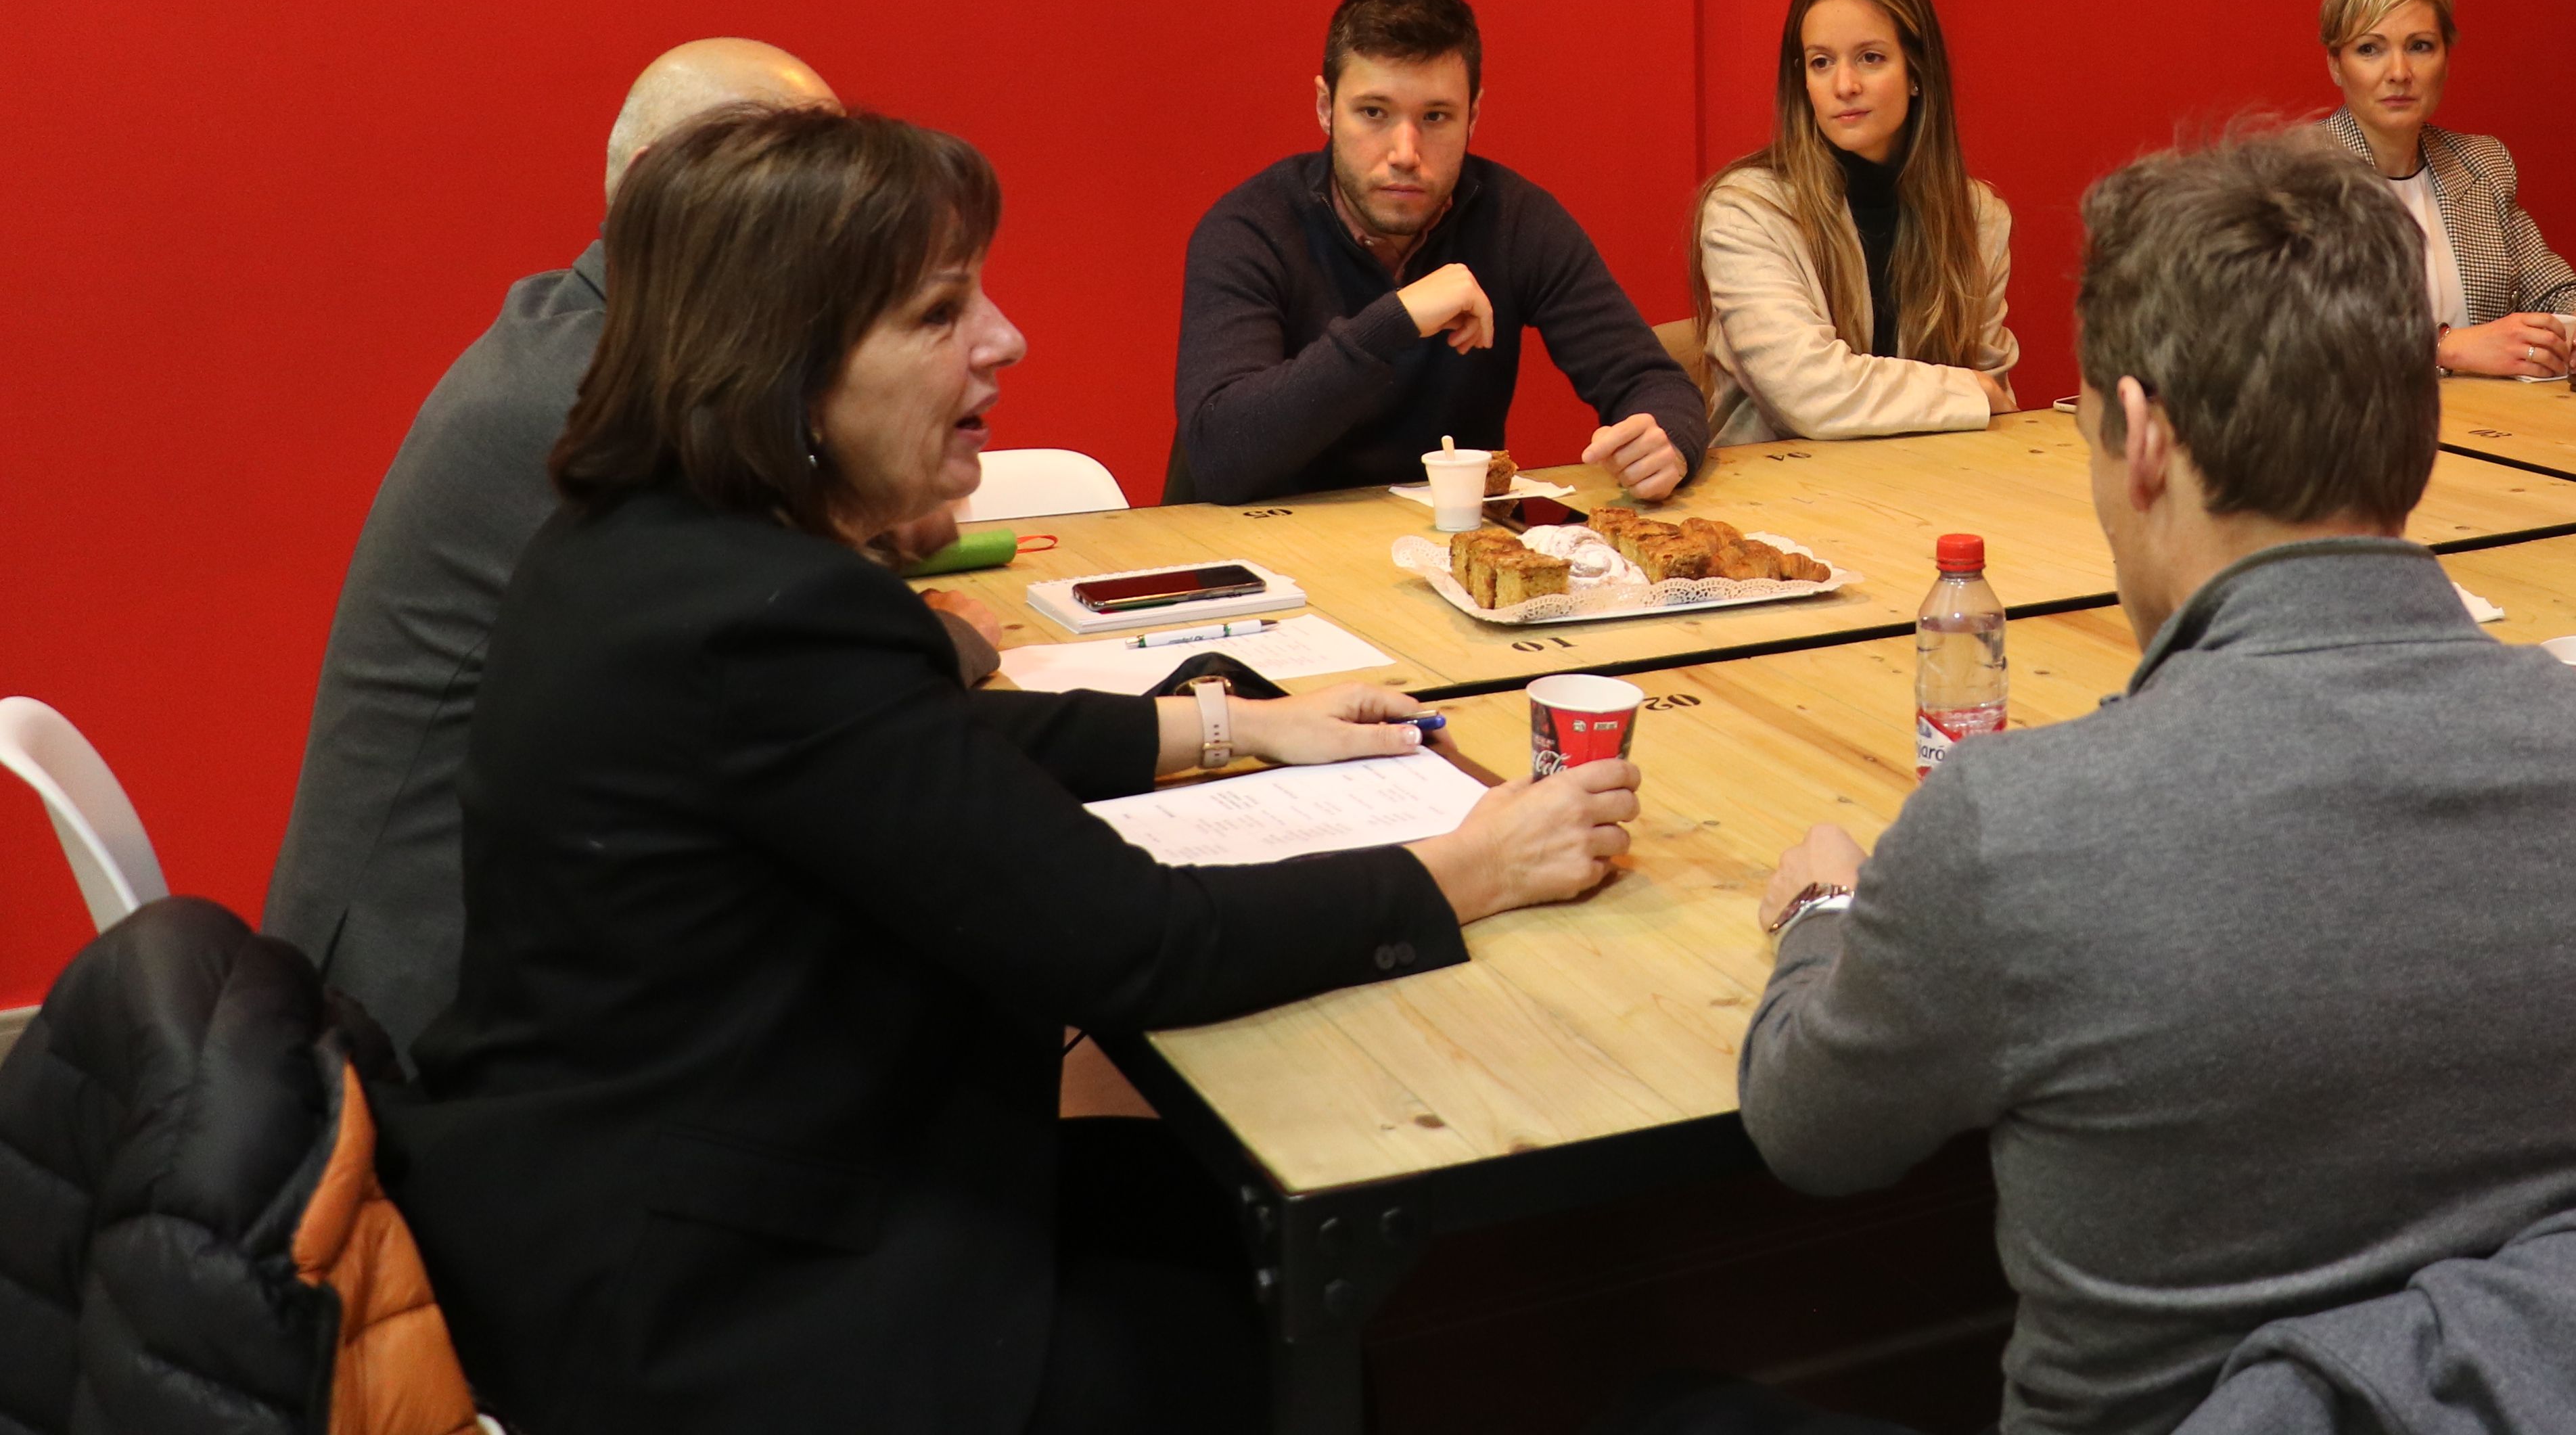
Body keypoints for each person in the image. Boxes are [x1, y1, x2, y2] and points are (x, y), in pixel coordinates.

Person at [382, 104, 1637, 1435]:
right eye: (939, 313)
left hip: (609, 1204)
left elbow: (927, 753)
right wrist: (1468, 867)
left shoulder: (642, 546)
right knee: (1253, 1316)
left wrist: (1231, 725)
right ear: (787, 368)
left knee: (1193, 1204)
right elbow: (1138, 941)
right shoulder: (773, 613)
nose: (1006, 338)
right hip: (720, 1305)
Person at [1733, 133, 2576, 1435]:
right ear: (2419, 425)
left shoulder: (2015, 827)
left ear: (2145, 438)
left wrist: (1827, 914)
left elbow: (1808, 1130)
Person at [264, 36, 862, 1061]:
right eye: (775, 178)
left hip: (514, 910)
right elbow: (796, 665)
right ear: (654, 187)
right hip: (420, 994)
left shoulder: (596, 336)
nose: (824, 223)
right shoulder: (590, 400)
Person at [1168, 0, 1707, 502]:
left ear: (1473, 116)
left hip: (1448, 543)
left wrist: (1668, 443)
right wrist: (1395, 321)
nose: (1405, 153)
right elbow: (1219, 457)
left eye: (1435, 116)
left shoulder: (1517, 220)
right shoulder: (1250, 229)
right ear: (1326, 108)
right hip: (1264, 543)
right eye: (1374, 113)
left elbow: (1650, 381)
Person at [1690, 0, 2022, 443]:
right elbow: (1811, 394)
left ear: (1916, 72)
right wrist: (1964, 392)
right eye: (1822, 63)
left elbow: (1996, 403)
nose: (1844, 86)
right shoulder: (1746, 211)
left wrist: (1977, 395)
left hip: (1931, 480)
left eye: (1870, 58)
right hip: (1780, 484)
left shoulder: (1978, 218)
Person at [2314, 0, 2576, 378]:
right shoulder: (2290, 178)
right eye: (2370, 49)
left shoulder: (2480, 164)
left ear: (2446, 59)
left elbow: (2555, 290)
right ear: (2335, 65)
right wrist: (2443, 347)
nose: (2399, 72)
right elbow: (2287, 335)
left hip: (2486, 415)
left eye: (2420, 46)